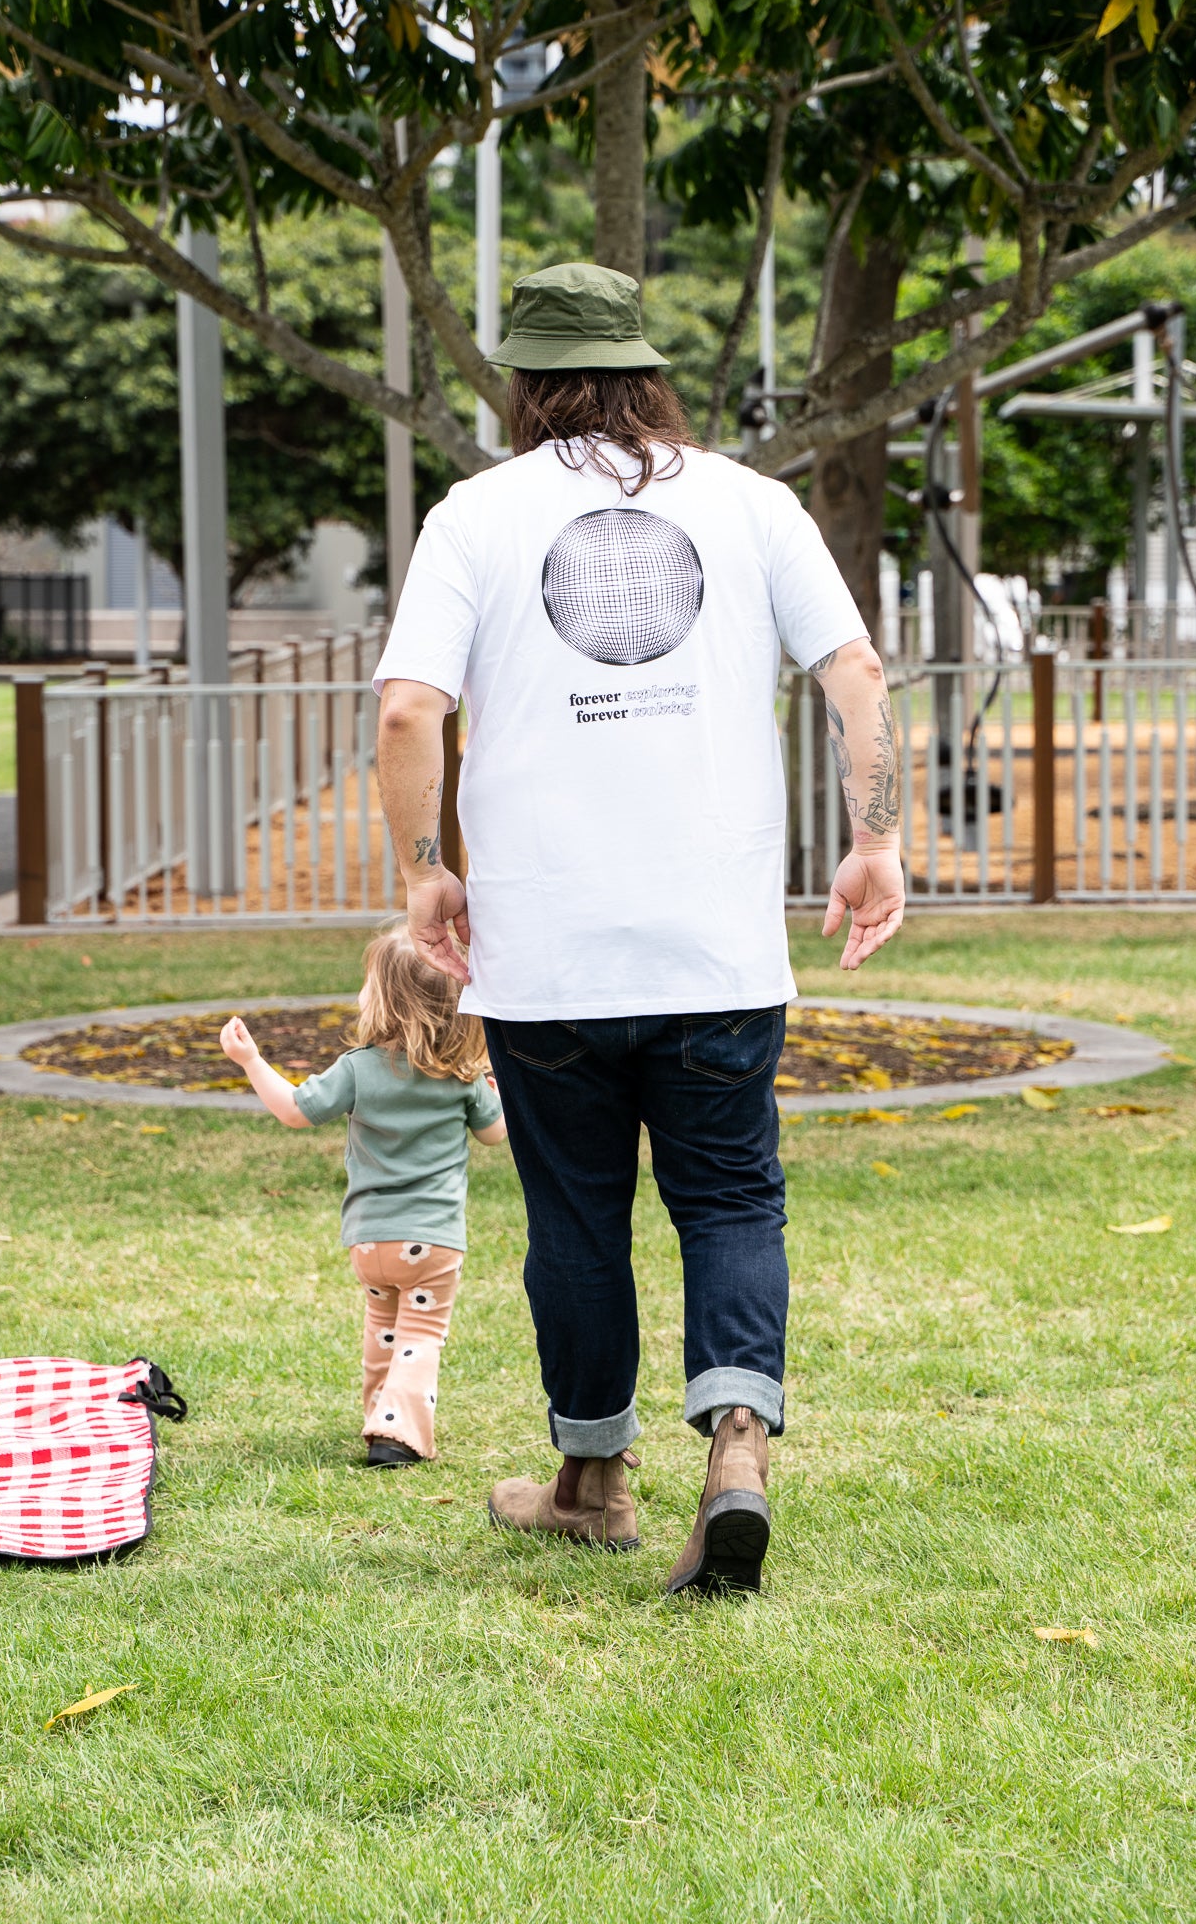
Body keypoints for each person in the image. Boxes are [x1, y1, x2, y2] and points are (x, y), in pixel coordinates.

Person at [374, 261, 903, 1591]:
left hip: (546, 954)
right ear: (644, 368)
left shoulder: (476, 515)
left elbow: (404, 711)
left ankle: (591, 1480)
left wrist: (424, 869)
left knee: (575, 1220)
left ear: (523, 380)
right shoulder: (754, 503)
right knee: (729, 1197)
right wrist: (875, 839)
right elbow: (856, 673)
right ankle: (735, 1445)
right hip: (717, 941)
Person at [219, 929, 507, 1466]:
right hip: (432, 1242)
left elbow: (293, 1110)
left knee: (384, 1329)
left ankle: (379, 1416)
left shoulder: (357, 1068)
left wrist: (251, 1061)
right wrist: (493, 1084)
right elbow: (495, 1134)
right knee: (421, 1334)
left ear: (385, 1002)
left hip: (369, 1242)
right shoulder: (461, 1078)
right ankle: (397, 1435)